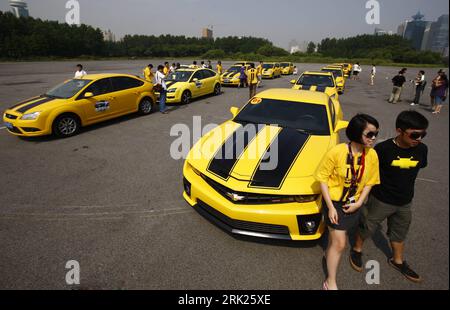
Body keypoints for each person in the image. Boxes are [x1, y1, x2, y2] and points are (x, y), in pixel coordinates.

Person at [351, 110, 429, 283]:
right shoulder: (383, 149)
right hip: (380, 199)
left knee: (400, 231)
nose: (419, 139)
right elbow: (369, 173)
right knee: (368, 225)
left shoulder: (422, 149)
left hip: (405, 201)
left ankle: (397, 261)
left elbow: (419, 167)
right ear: (399, 131)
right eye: (415, 134)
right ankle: (356, 249)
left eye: (423, 134)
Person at [315, 114, 380, 290]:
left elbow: (370, 181)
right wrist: (329, 207)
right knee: (341, 243)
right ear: (357, 133)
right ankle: (331, 280)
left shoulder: (372, 155)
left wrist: (359, 203)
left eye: (375, 134)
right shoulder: (337, 152)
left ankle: (330, 254)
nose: (373, 138)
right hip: (335, 203)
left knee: (335, 243)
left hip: (354, 204)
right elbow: (322, 179)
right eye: (370, 134)